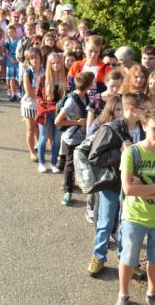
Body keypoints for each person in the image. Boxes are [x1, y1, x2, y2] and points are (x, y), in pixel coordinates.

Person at [116, 108, 155, 305]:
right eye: (153, 129)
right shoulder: (132, 153)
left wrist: (144, 187)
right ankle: (123, 294)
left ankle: (152, 294)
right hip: (134, 217)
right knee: (128, 258)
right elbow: (129, 189)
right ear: (144, 126)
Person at [86, 92, 148, 278]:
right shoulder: (111, 129)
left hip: (135, 186)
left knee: (129, 225)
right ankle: (98, 256)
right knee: (105, 223)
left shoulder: (144, 128)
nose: (147, 112)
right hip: (112, 186)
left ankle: (127, 260)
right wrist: (120, 152)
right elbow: (94, 157)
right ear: (132, 109)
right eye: (144, 109)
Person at [56, 70, 95, 206]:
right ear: (89, 85)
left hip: (81, 137)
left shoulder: (85, 96)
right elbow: (58, 121)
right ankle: (67, 192)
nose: (94, 84)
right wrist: (77, 122)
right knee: (70, 165)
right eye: (93, 82)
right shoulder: (72, 101)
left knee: (79, 164)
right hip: (71, 138)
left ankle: (72, 184)